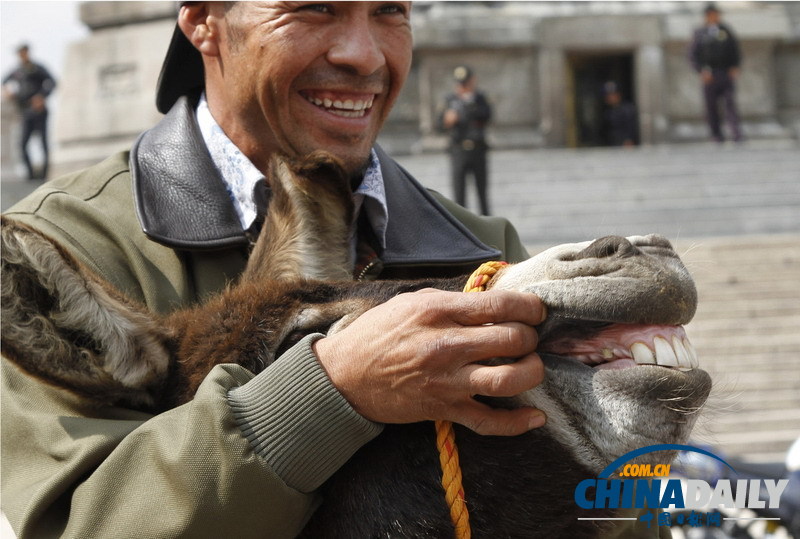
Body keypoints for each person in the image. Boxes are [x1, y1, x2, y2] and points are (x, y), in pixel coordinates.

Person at [1, 4, 659, 538]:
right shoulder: (54, 254)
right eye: (316, 9)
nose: (364, 55)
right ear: (203, 20)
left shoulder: (478, 246)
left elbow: (596, 510)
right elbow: (78, 524)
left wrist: (633, 432)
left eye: (390, 12)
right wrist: (331, 392)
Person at [439, 65, 492, 215]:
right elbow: (439, 125)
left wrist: (469, 101)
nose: (462, 86)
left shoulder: (480, 98)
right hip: (458, 150)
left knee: (482, 192)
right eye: (460, 83)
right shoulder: (449, 100)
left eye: (466, 82)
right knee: (459, 195)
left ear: (473, 81)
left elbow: (487, 116)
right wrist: (447, 120)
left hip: (478, 149)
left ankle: (486, 228)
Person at [689, 3, 743, 143]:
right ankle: (716, 135)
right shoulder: (700, 33)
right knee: (711, 107)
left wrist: (735, 66)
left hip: (725, 72)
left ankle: (736, 133)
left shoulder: (725, 30)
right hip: (709, 75)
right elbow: (693, 54)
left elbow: (735, 50)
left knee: (729, 103)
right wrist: (700, 71)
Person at [2, 43, 56, 180]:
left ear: (28, 52)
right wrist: (9, 92)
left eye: (24, 52)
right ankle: (31, 175)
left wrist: (42, 97)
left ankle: (44, 174)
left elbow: (52, 82)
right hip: (25, 111)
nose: (22, 55)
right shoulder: (17, 71)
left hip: (39, 110)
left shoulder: (37, 68)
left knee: (43, 142)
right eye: (20, 53)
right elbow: (4, 81)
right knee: (23, 144)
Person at [602, 81, 638, 147]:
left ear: (618, 95)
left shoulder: (627, 109)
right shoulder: (607, 111)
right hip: (613, 144)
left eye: (612, 95)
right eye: (608, 95)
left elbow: (631, 126)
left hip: (625, 145)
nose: (610, 98)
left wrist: (629, 139)